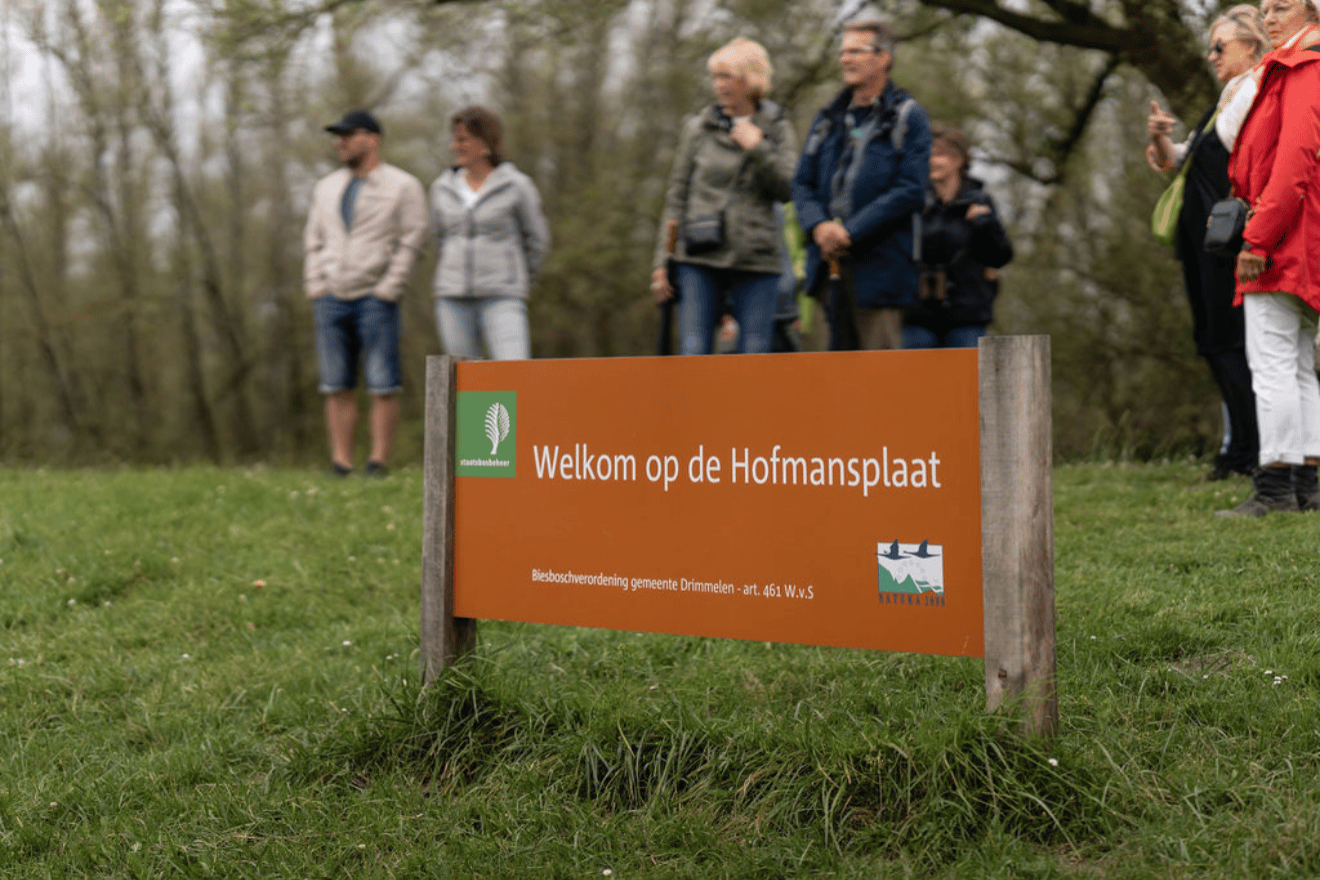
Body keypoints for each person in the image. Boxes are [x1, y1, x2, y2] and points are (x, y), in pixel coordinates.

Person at [1146, 6, 1269, 481]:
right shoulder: (1227, 97)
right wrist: (1160, 140)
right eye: (1211, 46)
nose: (1212, 55)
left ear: (1252, 48)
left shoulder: (1257, 93)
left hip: (1231, 243)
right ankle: (1238, 448)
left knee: (1231, 343)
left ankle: (1251, 453)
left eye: (1221, 46)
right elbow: (1178, 160)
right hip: (1203, 242)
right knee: (1214, 342)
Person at [1216, 0, 1320, 516]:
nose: (1270, 16)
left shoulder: (1304, 68)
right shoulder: (1292, 67)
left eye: (1283, 6)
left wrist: (1257, 240)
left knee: (1273, 364)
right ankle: (1305, 484)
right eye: (1265, 7)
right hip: (1302, 235)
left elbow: (1294, 164)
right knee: (1299, 364)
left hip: (1286, 238)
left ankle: (1276, 487)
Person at [650, 37, 799, 355]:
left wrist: (757, 148)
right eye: (715, 77)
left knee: (754, 355)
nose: (718, 85)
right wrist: (663, 259)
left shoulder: (778, 128)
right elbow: (678, 194)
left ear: (750, 80)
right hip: (700, 254)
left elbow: (788, 189)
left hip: (757, 258)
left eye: (726, 76)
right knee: (694, 352)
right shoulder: (698, 128)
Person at [792, 17, 931, 351]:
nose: (845, 59)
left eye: (856, 51)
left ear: (883, 58)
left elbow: (911, 189)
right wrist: (819, 227)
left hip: (881, 273)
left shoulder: (909, 116)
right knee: (831, 385)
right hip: (828, 268)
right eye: (843, 52)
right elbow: (801, 183)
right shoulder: (827, 118)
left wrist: (850, 231)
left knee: (880, 384)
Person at [304, 109, 428, 477]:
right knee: (335, 384)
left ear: (373, 139)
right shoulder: (325, 187)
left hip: (376, 297)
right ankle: (341, 462)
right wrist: (316, 285)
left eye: (348, 134)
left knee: (383, 382)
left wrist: (389, 288)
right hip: (331, 297)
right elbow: (313, 239)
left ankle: (378, 462)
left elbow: (413, 240)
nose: (339, 142)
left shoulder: (403, 186)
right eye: (337, 135)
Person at [430, 106, 550, 361]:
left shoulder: (517, 186)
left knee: (512, 373)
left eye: (462, 139)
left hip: (502, 296)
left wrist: (516, 278)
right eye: (454, 139)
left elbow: (537, 240)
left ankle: (505, 406)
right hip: (452, 298)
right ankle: (478, 406)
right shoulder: (441, 188)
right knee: (463, 383)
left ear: (484, 142)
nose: (455, 146)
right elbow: (439, 238)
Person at [902, 122, 1013, 349]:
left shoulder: (980, 201)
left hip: (967, 315)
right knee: (915, 382)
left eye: (938, 154)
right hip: (917, 313)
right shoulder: (911, 202)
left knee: (965, 382)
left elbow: (1000, 256)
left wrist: (984, 224)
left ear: (958, 159)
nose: (931, 161)